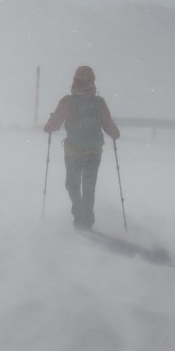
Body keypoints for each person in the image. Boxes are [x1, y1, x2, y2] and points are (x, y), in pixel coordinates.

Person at [44, 66, 120, 230]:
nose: (84, 84)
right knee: (88, 186)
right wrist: (114, 132)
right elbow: (108, 124)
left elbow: (56, 122)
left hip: (74, 151)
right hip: (93, 151)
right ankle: (86, 219)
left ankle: (80, 216)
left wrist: (49, 125)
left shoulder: (68, 101)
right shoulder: (98, 102)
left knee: (73, 184)